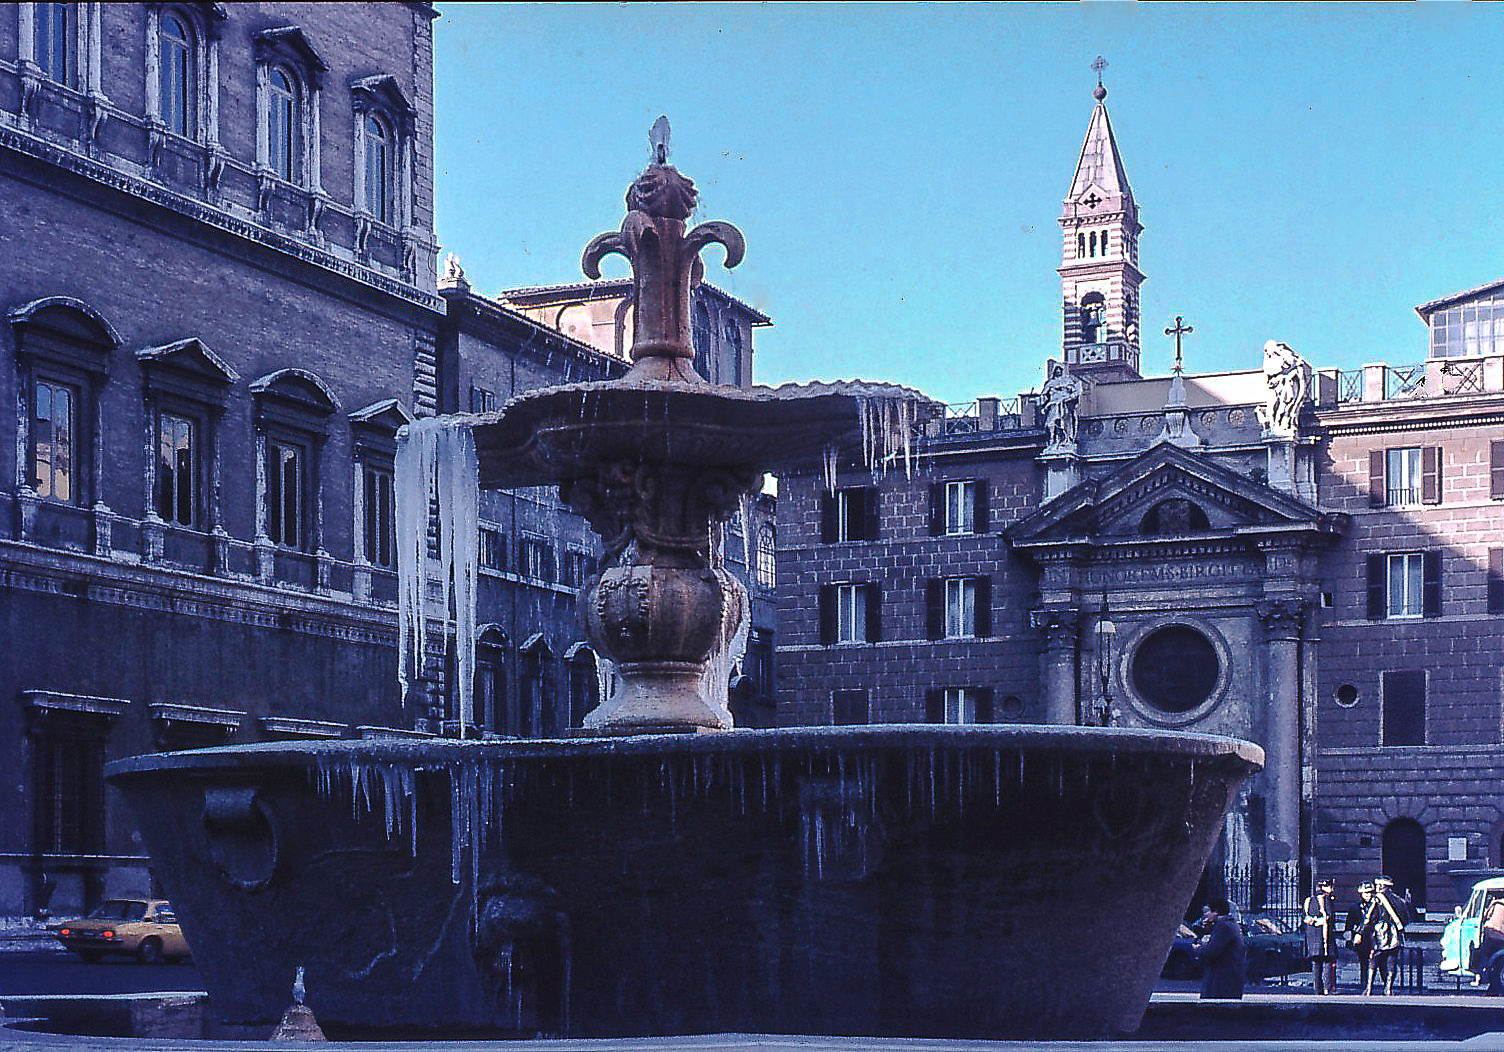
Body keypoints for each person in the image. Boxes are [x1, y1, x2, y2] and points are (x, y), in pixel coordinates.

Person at [1191, 896, 1246, 999]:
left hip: (1221, 980)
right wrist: (1208, 929)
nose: (1206, 914)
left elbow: (1211, 951)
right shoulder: (1231, 925)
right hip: (1230, 978)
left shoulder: (1223, 927)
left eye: (1208, 911)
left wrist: (1198, 949)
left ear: (1215, 912)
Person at [1362, 875, 1407, 995]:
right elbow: (1406, 917)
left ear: (1382, 887)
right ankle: (1388, 989)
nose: (1376, 888)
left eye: (1378, 885)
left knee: (1373, 960)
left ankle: (1369, 988)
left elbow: (1369, 917)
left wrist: (1362, 931)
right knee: (1391, 962)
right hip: (1395, 934)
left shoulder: (1377, 899)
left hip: (1380, 933)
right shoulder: (1399, 900)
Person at [1303, 877, 1339, 994]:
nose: (1332, 889)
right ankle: (1328, 988)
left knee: (1316, 964)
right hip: (1324, 936)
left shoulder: (1309, 900)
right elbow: (1329, 916)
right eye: (1330, 886)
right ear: (1324, 887)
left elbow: (1306, 917)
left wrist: (1313, 921)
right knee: (1328, 962)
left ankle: (1317, 988)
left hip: (1312, 936)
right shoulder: (1327, 899)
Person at [1345, 881, 1375, 994]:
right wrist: (1349, 939)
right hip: (1361, 940)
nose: (1367, 895)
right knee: (1364, 963)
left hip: (1374, 938)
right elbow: (1349, 924)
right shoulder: (1355, 907)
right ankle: (1365, 984)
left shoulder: (1376, 905)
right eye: (1365, 893)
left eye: (1369, 892)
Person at [1475, 896, 1504, 993]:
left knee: (1486, 956)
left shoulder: (1496, 904)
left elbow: (1486, 916)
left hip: (1492, 933)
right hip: (1500, 934)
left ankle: (1482, 973)